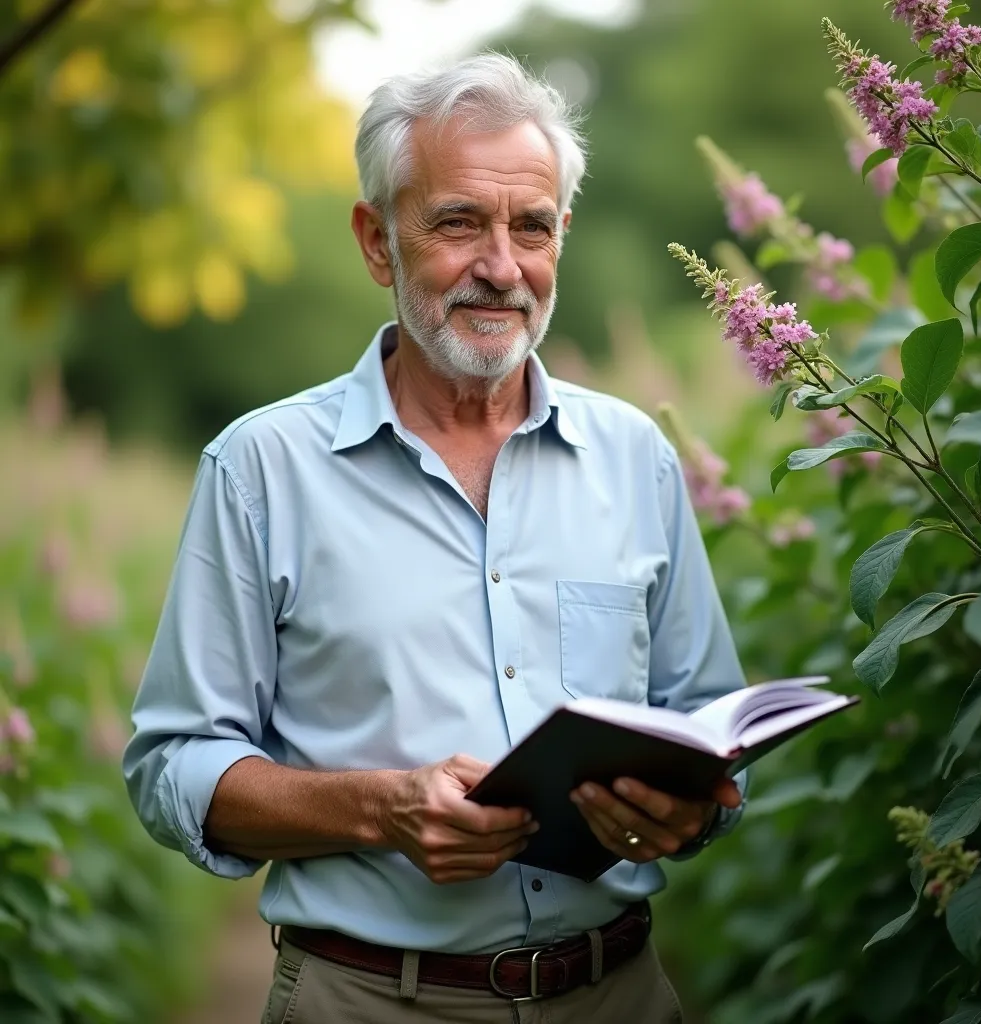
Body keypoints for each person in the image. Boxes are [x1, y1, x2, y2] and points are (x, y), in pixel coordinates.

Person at [123, 52, 748, 1024]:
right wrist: (381, 807)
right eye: (458, 222)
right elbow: (173, 768)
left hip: (619, 995)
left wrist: (689, 805)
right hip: (366, 1000)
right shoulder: (261, 469)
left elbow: (705, 721)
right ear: (378, 243)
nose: (502, 267)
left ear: (560, 239)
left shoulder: (638, 458)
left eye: (531, 228)